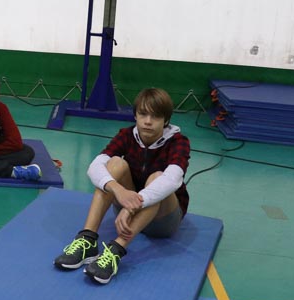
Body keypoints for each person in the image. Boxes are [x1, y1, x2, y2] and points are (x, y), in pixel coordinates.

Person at [53, 88, 191, 285]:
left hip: (162, 221)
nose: (148, 121)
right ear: (135, 115)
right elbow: (94, 167)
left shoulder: (178, 142)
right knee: (115, 164)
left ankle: (116, 250)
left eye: (155, 116)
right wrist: (118, 189)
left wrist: (133, 205)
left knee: (158, 178)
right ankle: (87, 240)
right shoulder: (127, 135)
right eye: (143, 114)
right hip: (127, 208)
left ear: (166, 120)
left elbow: (173, 179)